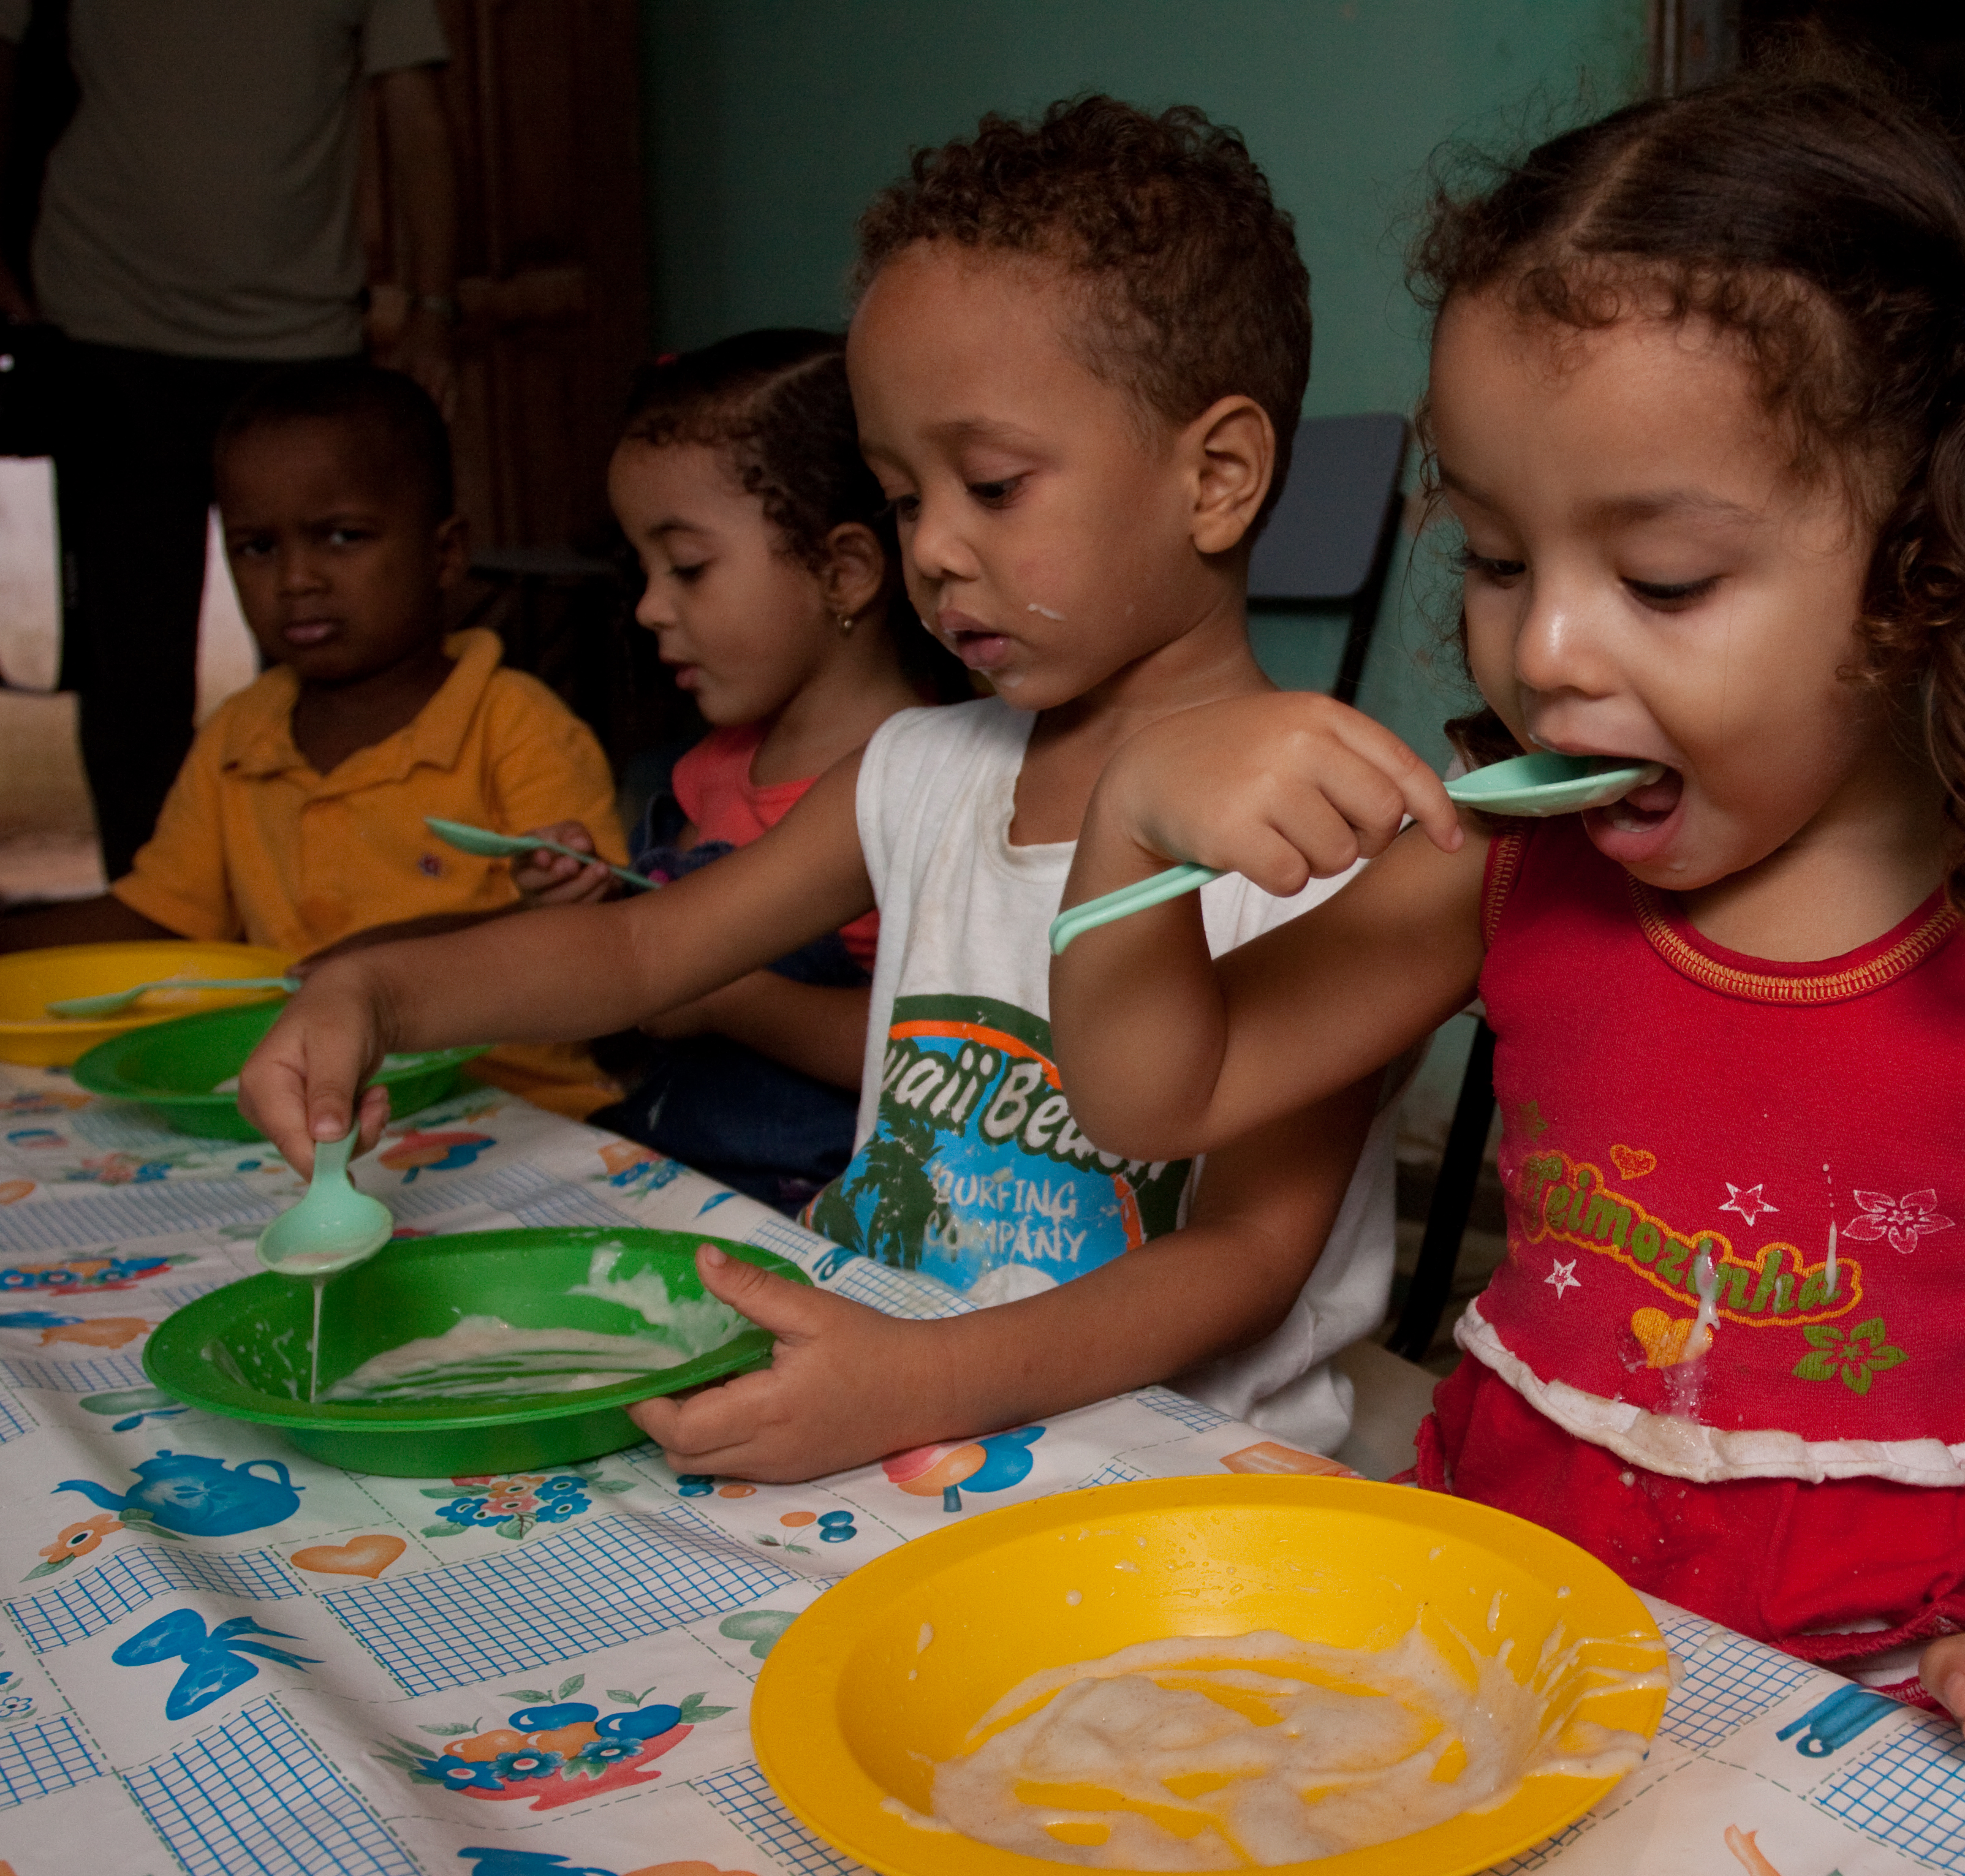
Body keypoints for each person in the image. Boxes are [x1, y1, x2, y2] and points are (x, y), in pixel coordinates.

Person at [1048, 61, 1965, 1833]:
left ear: (1926, 564)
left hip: (1894, 1729)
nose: (1542, 650)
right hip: (1506, 1659)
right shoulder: (1509, 863)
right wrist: (1130, 833)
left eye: (1666, 582)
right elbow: (1157, 1096)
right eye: (1493, 557)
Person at [236, 97, 1396, 1483]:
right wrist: (377, 999)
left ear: (1214, 478)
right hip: (893, 1416)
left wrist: (916, 1379)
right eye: (906, 498)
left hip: (1176, 1484)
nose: (937, 554)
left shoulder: (1322, 836)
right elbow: (640, 944)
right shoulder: (922, 773)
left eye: (992, 484)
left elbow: (1246, 1256)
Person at [0, 363, 622, 1117]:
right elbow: (161, 915)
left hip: (514, 1112)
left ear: (446, 552)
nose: (297, 579)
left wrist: (387, 965)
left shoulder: (518, 728)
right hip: (312, 1114)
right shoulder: (239, 735)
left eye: (341, 537)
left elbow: (599, 932)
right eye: (257, 548)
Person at [509, 330, 968, 1214]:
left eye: (688, 568)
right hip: (675, 1165)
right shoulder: (708, 773)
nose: (648, 606)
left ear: (843, 572)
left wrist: (733, 999)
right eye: (640, 569)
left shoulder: (932, 790)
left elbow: (936, 1058)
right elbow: (637, 1019)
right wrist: (594, 907)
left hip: (827, 1209)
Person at [0, 1, 461, 879]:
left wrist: (436, 314)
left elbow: (416, 109)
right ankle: (159, 921)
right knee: (134, 681)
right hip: (108, 331)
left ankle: (339, 892)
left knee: (342, 651)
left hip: (302, 336)